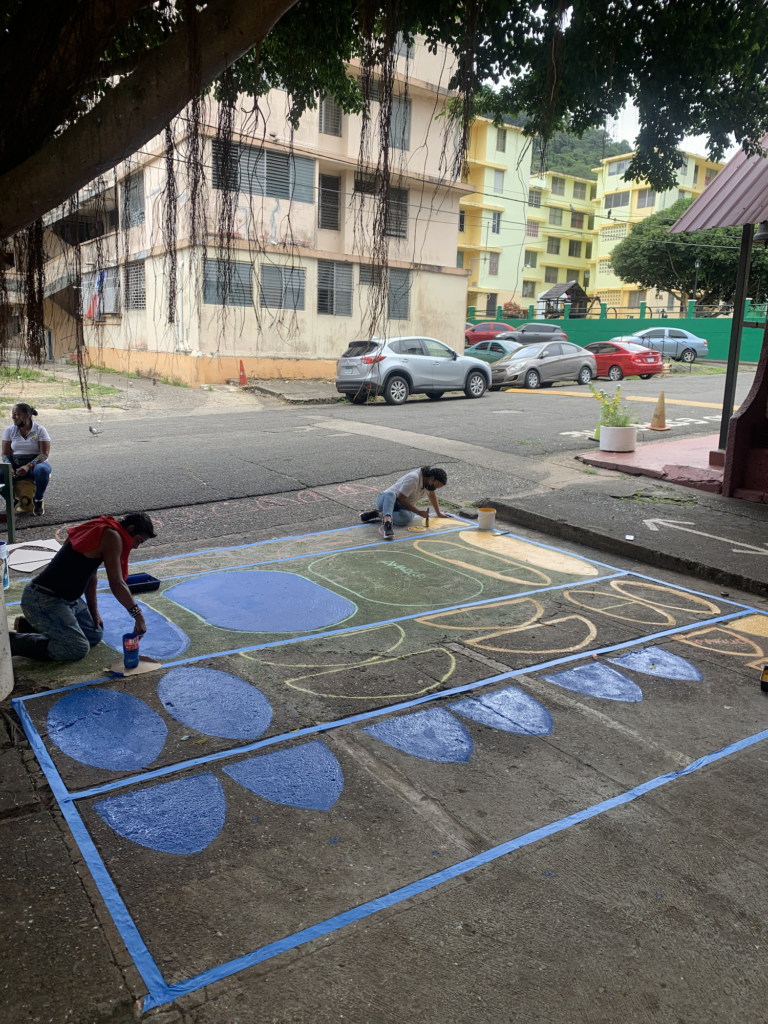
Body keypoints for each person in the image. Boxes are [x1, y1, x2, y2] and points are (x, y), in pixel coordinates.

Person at [9, 512, 156, 662]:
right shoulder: (112, 536)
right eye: (138, 541)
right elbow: (117, 583)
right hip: (44, 600)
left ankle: (31, 625)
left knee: (94, 634)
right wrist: (138, 616)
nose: (136, 546)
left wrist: (94, 611)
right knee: (77, 648)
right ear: (130, 529)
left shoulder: (107, 529)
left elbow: (91, 575)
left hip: (68, 600)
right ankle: (12, 642)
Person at [359, 466, 449, 539]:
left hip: (402, 507)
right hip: (386, 501)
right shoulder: (414, 478)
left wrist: (438, 513)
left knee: (406, 518)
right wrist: (418, 512)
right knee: (391, 494)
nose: (435, 488)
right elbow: (400, 498)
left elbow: (431, 495)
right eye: (436, 485)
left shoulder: (428, 483)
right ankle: (387, 525)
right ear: (431, 478)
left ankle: (377, 514)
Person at [2, 403, 52, 516]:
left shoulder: (40, 430)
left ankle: (38, 500)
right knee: (1, 471)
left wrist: (28, 466)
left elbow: (44, 454)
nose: (13, 417)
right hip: (15, 464)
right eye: (13, 415)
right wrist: (8, 467)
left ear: (27, 416)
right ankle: (11, 500)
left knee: (43, 470)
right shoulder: (10, 430)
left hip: (34, 465)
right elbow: (5, 454)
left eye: (17, 415)